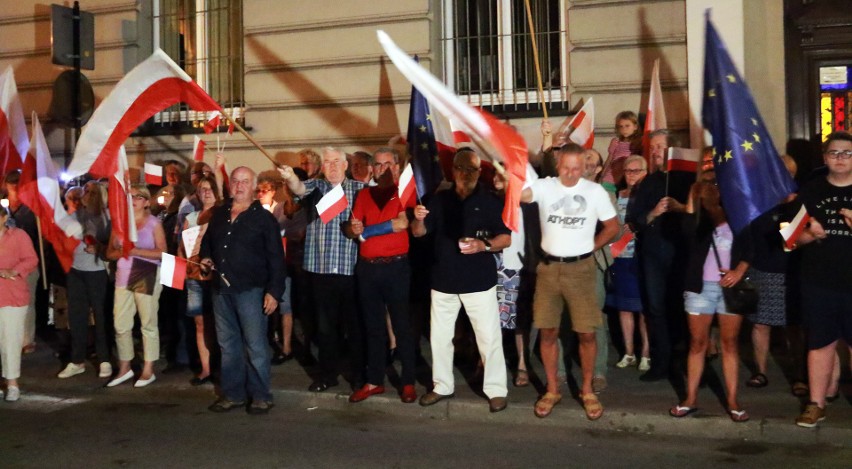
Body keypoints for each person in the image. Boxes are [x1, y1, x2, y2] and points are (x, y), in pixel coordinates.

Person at [520, 143, 618, 420]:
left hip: (582, 270)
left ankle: (587, 390)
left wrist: (591, 246)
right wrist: (513, 178)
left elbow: (613, 227)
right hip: (549, 269)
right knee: (548, 331)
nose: (572, 174)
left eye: (577, 168)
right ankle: (552, 389)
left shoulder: (594, 192)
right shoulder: (545, 185)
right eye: (566, 168)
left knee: (587, 333)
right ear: (558, 164)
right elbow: (523, 195)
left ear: (585, 166)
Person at [411, 148, 511, 413]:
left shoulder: (489, 200)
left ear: (480, 172)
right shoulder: (439, 199)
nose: (465, 174)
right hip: (443, 279)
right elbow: (420, 233)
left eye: (471, 169)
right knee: (440, 337)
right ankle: (442, 385)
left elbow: (506, 238)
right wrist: (418, 220)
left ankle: (496, 390)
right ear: (452, 170)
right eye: (460, 168)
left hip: (479, 280)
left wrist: (483, 244)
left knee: (488, 337)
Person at [279, 148, 366, 393]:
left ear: (346, 165)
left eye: (337, 161)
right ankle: (328, 375)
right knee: (325, 329)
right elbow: (298, 189)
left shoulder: (360, 190)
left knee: (354, 327)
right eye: (327, 162)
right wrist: (290, 177)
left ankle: (359, 375)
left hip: (351, 270)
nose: (332, 166)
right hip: (320, 269)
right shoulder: (315, 187)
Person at [668, 161, 750, 423]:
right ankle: (690, 398)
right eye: (707, 183)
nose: (711, 187)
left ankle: (733, 399)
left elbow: (752, 246)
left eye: (715, 183)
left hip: (730, 287)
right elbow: (687, 233)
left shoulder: (738, 215)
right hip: (700, 287)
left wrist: (739, 270)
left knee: (729, 343)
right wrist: (694, 197)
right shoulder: (698, 220)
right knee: (697, 343)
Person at [200, 167, 286, 414]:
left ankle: (261, 395)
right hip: (221, 290)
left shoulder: (264, 218)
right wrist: (206, 258)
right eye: (235, 181)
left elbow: (276, 259)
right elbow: (207, 243)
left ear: (253, 187)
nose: (238, 186)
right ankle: (233, 394)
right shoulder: (219, 214)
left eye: (244, 182)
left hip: (251, 291)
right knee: (228, 346)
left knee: (256, 346)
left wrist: (273, 292)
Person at [346, 147, 417, 404]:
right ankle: (374, 380)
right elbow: (353, 228)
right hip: (368, 268)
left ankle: (408, 381)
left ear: (396, 167)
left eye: (387, 164)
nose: (382, 169)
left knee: (402, 326)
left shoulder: (403, 191)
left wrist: (366, 232)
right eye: (378, 164)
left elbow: (402, 223)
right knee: (373, 327)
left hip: (396, 267)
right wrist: (355, 230)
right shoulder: (364, 195)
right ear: (372, 168)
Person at [793, 131, 852, 428]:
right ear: (825, 157)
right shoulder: (811, 190)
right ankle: (816, 404)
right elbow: (787, 239)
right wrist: (809, 234)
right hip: (818, 282)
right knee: (820, 344)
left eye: (847, 153)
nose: (840, 158)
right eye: (834, 153)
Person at [625, 129, 693, 381]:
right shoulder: (649, 183)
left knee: (683, 307)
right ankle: (661, 362)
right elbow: (634, 220)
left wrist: (681, 208)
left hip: (681, 254)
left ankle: (687, 361)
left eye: (659, 146)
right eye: (651, 147)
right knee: (656, 308)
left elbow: (699, 215)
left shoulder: (686, 179)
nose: (654, 151)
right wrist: (652, 214)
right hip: (653, 256)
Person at [105, 185, 167, 388]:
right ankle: (125, 366)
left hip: (145, 273)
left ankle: (148, 368)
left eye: (139, 197)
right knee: (120, 324)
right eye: (130, 196)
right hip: (123, 275)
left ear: (147, 202)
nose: (133, 200)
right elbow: (110, 254)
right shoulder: (120, 224)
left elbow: (162, 252)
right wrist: (122, 252)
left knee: (147, 322)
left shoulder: (153, 223)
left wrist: (136, 251)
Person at [57, 182, 113, 380]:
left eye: (91, 192)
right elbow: (61, 228)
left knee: (100, 315)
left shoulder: (106, 217)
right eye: (85, 191)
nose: (86, 195)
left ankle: (105, 358)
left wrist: (98, 247)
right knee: (77, 316)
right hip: (76, 271)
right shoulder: (77, 214)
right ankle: (77, 360)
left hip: (97, 271)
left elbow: (114, 245)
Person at [179, 175, 221, 386]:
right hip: (194, 274)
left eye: (210, 188)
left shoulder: (221, 215)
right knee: (199, 322)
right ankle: (205, 369)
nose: (206, 192)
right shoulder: (192, 217)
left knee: (218, 321)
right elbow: (181, 247)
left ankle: (220, 366)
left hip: (213, 275)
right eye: (202, 189)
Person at [610, 156, 650, 371]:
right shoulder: (617, 196)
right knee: (624, 307)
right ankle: (629, 352)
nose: (632, 174)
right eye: (628, 170)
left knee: (643, 308)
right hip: (621, 256)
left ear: (646, 171)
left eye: (637, 170)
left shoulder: (648, 195)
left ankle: (646, 353)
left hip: (641, 257)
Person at [254, 172, 297, 364]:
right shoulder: (253, 211)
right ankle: (266, 342)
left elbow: (288, 223)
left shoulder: (279, 209)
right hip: (261, 266)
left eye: (264, 190)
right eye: (258, 190)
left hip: (280, 264)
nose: (260, 194)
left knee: (285, 306)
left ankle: (287, 346)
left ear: (273, 192)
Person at [0, 205, 39, 401]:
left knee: (11, 340)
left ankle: (12, 383)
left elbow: (31, 259)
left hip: (12, 296)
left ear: (4, 218)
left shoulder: (18, 236)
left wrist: (14, 271)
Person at [3, 170, 40, 354]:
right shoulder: (2, 206)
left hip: (26, 262)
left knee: (27, 301)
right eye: (11, 181)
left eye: (17, 181)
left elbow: (39, 235)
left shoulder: (32, 207)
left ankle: (26, 339)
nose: (14, 185)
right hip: (4, 263)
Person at [601, 111, 642, 191]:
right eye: (621, 126)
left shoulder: (638, 143)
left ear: (635, 127)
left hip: (626, 181)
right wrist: (602, 175)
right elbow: (609, 159)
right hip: (610, 179)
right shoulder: (616, 142)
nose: (624, 129)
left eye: (627, 126)